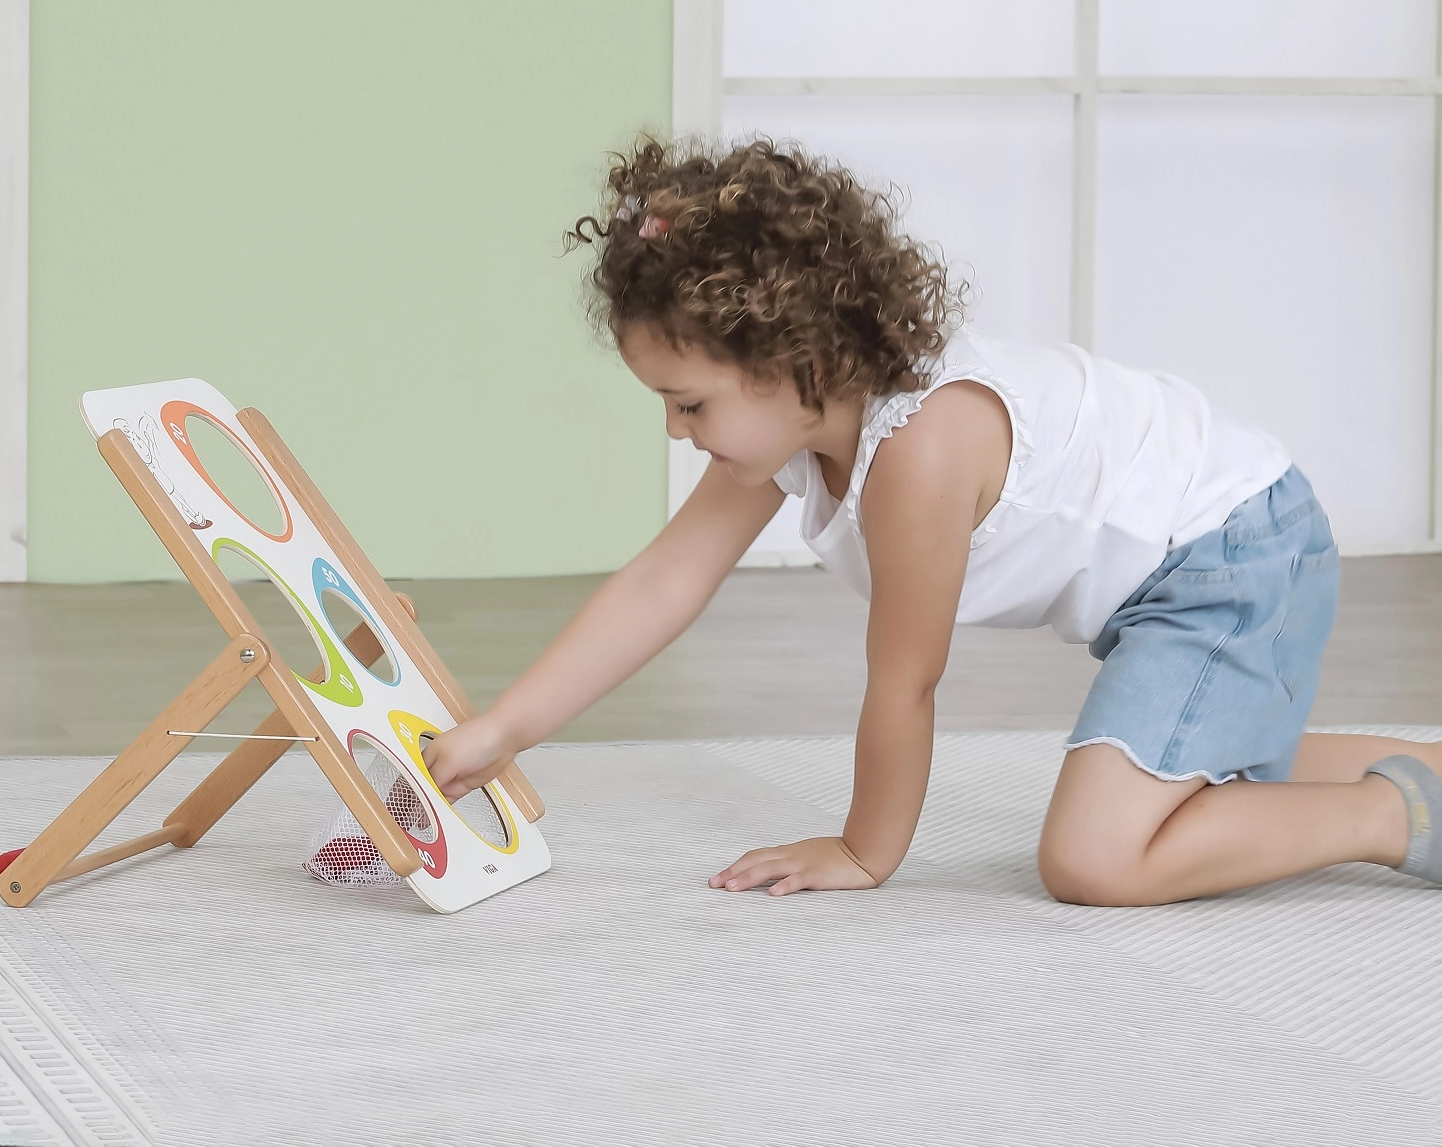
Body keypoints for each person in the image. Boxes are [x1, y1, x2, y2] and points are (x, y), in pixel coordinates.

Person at [423, 135, 1442, 905]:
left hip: (1235, 554)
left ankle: (1393, 816)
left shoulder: (918, 452)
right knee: (1199, 769)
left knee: (1095, 858)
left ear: (792, 362)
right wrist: (507, 729)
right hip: (1198, 561)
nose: (675, 430)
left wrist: (864, 850)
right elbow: (663, 581)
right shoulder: (795, 420)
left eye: (689, 404)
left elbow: (905, 679)